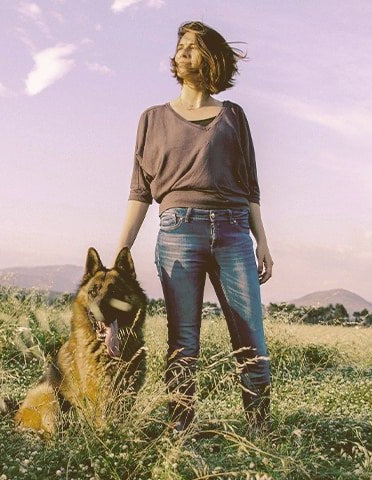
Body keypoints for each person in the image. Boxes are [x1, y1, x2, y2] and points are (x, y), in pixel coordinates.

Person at [116, 21, 273, 434]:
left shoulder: (234, 116)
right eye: (180, 46)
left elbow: (250, 184)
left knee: (251, 339)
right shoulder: (151, 118)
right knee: (183, 343)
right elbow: (140, 191)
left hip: (234, 231)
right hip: (177, 232)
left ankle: (260, 432)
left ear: (212, 58)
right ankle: (179, 431)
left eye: (193, 47)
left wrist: (263, 243)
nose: (182, 52)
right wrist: (122, 252)